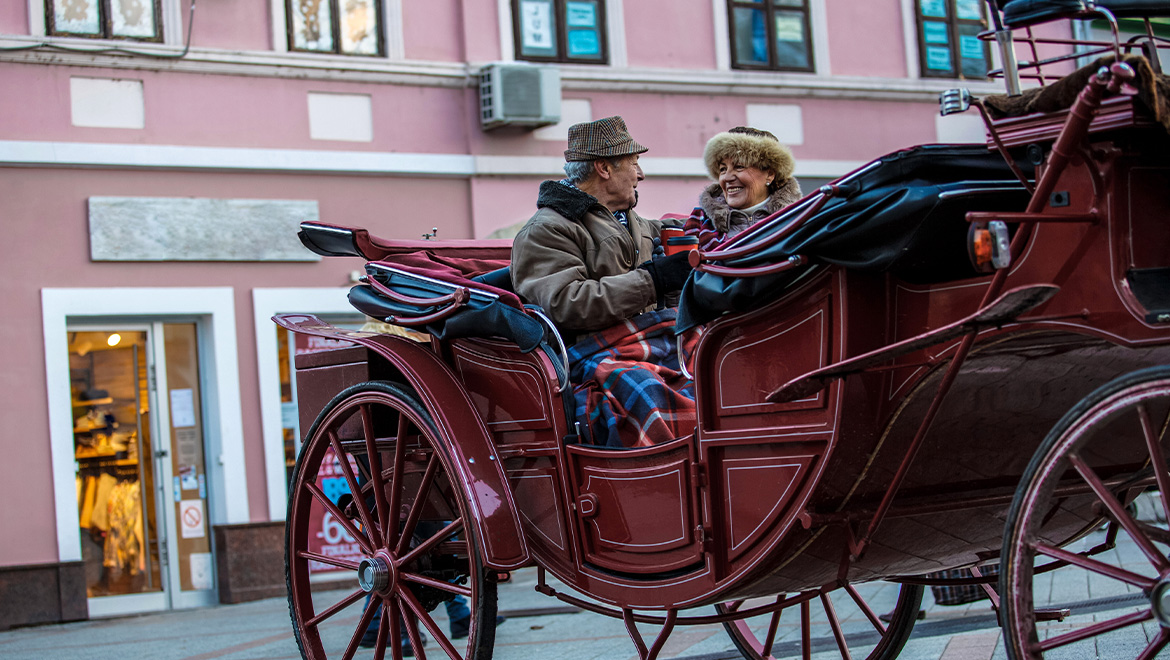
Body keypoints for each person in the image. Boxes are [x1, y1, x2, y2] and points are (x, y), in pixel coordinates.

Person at [510, 115, 692, 335]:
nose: (641, 175)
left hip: (644, 342)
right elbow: (565, 305)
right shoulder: (545, 230)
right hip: (591, 355)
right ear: (604, 168)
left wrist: (726, 209)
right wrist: (653, 280)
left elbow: (693, 227)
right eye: (634, 163)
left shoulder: (632, 223)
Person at [683, 126, 802, 249]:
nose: (727, 178)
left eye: (739, 166)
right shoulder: (700, 221)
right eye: (723, 169)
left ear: (770, 174)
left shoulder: (797, 220)